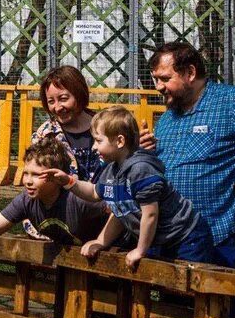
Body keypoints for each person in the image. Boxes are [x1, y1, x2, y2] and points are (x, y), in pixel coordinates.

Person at [140, 41, 235, 276]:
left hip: (222, 232)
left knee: (225, 307)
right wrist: (149, 153)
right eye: (156, 80)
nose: (159, 87)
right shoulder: (171, 116)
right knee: (178, 309)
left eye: (164, 78)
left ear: (190, 72)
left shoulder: (230, 101)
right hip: (177, 235)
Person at [42, 106, 214, 269]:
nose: (94, 147)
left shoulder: (140, 170)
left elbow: (151, 214)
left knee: (187, 291)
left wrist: (140, 249)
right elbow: (101, 197)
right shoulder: (112, 170)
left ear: (119, 141)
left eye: (98, 140)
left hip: (185, 237)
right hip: (158, 239)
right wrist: (68, 182)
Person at [0, 134, 108, 283]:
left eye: (36, 175)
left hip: (114, 251)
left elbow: (118, 212)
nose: (28, 181)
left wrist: (101, 241)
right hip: (76, 259)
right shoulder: (26, 200)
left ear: (56, 176)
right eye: (26, 173)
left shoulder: (77, 199)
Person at [34, 66, 103, 181]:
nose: (57, 107)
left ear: (79, 94)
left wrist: (140, 148)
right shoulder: (45, 134)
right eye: (51, 101)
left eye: (63, 99)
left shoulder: (106, 126)